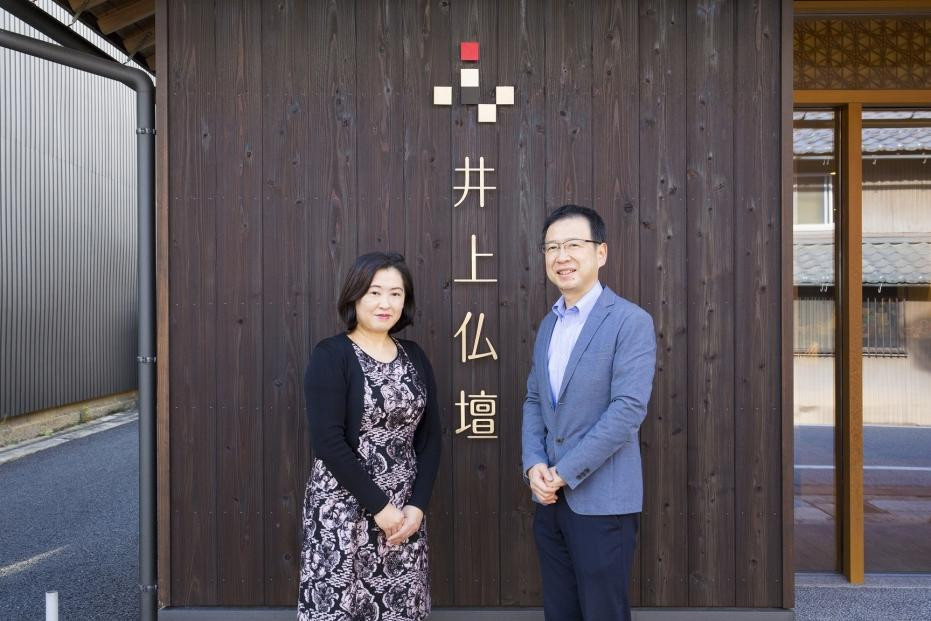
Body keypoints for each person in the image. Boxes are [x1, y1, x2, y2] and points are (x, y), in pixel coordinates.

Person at [522, 205, 657, 621]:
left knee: (603, 613)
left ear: (601, 252)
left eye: (573, 245)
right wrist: (534, 464)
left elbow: (627, 410)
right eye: (552, 247)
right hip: (549, 500)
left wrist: (564, 472)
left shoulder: (630, 321)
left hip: (603, 503)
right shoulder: (549, 325)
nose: (561, 256)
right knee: (560, 611)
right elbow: (534, 401)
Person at [298, 252, 441, 621]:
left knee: (400, 607)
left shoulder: (414, 356)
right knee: (340, 606)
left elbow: (430, 439)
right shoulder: (332, 355)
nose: (385, 303)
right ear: (355, 296)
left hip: (403, 514)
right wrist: (380, 507)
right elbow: (328, 442)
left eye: (395, 294)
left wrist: (416, 507)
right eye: (374, 292)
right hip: (343, 509)